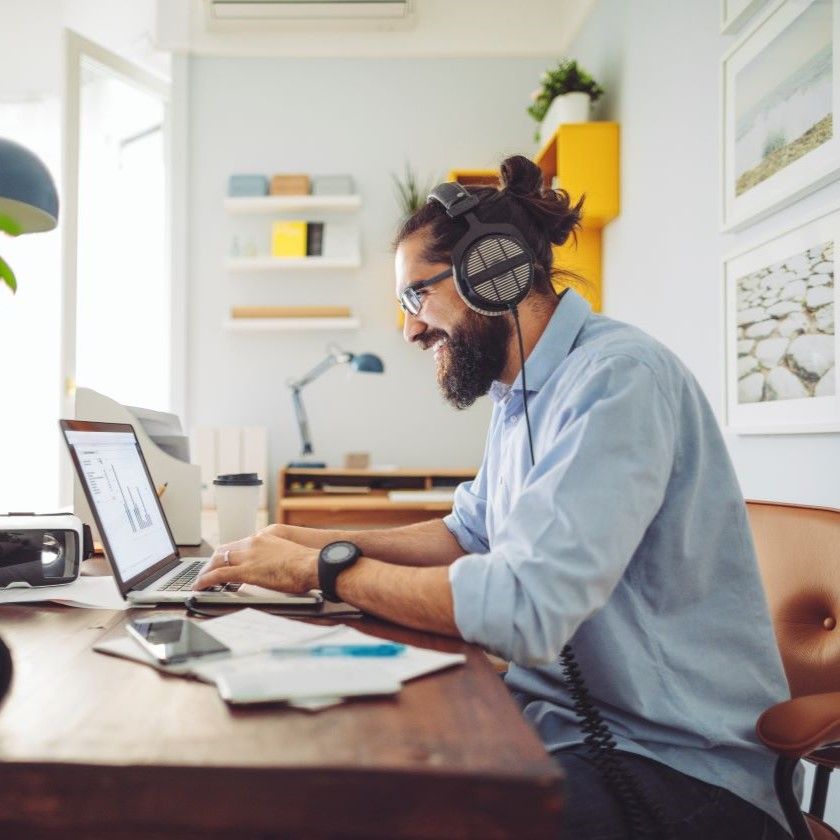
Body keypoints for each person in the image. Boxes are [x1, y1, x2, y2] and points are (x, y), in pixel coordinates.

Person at [196, 155, 792, 839]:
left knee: (389, 814)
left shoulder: (617, 380)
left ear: (492, 271)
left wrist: (324, 571)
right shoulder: (521, 397)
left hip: (677, 771)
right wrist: (302, 543)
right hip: (563, 731)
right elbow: (467, 533)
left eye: (416, 297)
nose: (411, 330)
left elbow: (522, 610)